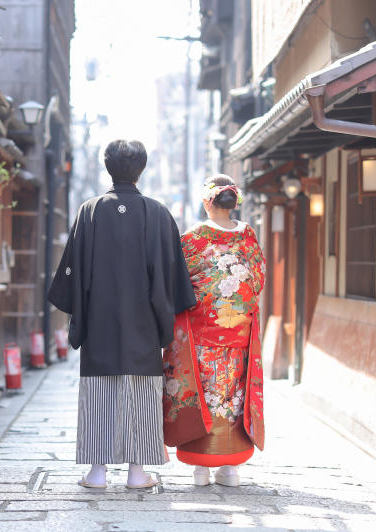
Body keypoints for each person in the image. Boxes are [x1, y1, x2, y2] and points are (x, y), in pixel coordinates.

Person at [47, 139, 196, 489]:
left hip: (99, 321)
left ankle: (97, 473)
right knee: (141, 394)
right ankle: (137, 473)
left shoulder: (89, 211)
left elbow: (72, 269)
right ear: (141, 170)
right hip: (144, 323)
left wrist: (81, 311)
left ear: (108, 168)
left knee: (99, 392)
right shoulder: (158, 213)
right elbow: (172, 273)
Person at [162, 174, 265, 487]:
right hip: (239, 336)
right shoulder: (248, 236)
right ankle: (230, 469)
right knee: (233, 397)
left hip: (201, 333)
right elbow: (258, 279)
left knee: (201, 394)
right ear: (233, 202)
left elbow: (176, 284)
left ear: (207, 201)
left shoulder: (193, 238)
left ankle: (200, 470)